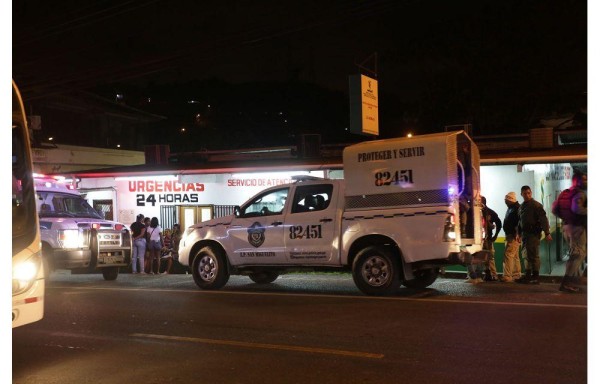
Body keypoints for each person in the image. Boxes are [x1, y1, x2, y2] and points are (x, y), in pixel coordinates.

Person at [556, 172, 587, 293]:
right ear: (576, 180)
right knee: (579, 254)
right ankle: (566, 283)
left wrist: (565, 219)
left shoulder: (565, 193)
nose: (586, 181)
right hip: (577, 228)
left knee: (575, 255)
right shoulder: (579, 193)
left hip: (567, 227)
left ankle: (569, 281)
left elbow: (555, 209)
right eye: (583, 179)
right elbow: (577, 208)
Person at [516, 185, 551, 284]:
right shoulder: (522, 206)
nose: (527, 195)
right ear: (521, 194)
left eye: (528, 193)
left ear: (531, 193)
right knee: (525, 255)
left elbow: (543, 219)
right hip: (525, 234)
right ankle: (527, 275)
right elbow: (520, 221)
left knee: (534, 255)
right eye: (524, 193)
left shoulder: (536, 205)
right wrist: (518, 233)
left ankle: (535, 276)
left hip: (533, 234)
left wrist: (547, 233)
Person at [500, 192, 521, 282]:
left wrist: (517, 234)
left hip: (513, 236)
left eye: (506, 200)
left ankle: (507, 276)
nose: (505, 202)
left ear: (510, 200)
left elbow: (519, 223)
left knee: (508, 254)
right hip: (511, 235)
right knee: (514, 256)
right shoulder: (512, 208)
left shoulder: (516, 209)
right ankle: (516, 274)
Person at [481, 196, 502, 281]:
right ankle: (486, 273)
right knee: (482, 257)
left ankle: (493, 275)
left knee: (490, 257)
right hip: (480, 240)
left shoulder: (490, 212)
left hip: (488, 239)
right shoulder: (477, 212)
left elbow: (499, 223)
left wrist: (496, 235)